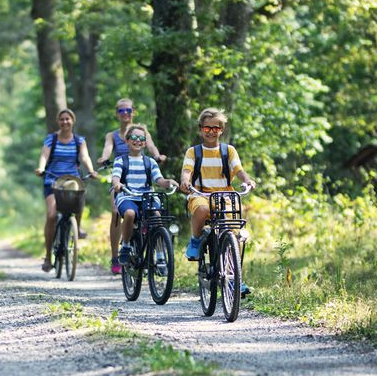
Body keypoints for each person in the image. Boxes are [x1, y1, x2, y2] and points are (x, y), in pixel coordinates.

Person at [177, 108, 257, 293]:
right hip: (201, 194)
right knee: (202, 210)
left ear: (221, 130)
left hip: (224, 196)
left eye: (216, 128)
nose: (211, 132)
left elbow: (238, 170)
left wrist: (247, 181)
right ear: (200, 130)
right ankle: (196, 240)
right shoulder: (193, 152)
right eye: (207, 129)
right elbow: (187, 171)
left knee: (233, 231)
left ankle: (234, 277)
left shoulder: (228, 151)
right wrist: (185, 181)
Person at [97, 98, 164, 275]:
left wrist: (157, 156)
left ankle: (151, 246)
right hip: (121, 184)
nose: (125, 113)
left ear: (133, 111)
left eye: (128, 110)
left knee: (153, 212)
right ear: (117, 113)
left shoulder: (142, 132)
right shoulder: (112, 135)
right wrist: (104, 158)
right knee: (115, 212)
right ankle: (115, 256)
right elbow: (107, 149)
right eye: (121, 111)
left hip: (141, 184)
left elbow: (151, 147)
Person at [36, 108, 99, 272]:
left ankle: (76, 228)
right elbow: (44, 155)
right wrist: (41, 168)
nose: (65, 122)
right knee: (51, 215)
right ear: (58, 122)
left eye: (68, 119)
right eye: (62, 119)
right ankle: (48, 256)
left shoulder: (79, 141)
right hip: (53, 180)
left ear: (73, 121)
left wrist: (91, 170)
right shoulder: (52, 139)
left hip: (72, 180)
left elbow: (84, 157)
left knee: (78, 197)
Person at [113, 124, 176, 265]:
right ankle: (126, 246)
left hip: (147, 197)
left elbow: (159, 180)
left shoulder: (150, 162)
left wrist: (168, 182)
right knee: (130, 214)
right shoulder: (121, 161)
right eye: (134, 137)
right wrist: (117, 184)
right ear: (127, 140)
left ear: (145, 142)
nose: (138, 140)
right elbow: (116, 177)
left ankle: (160, 254)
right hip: (127, 196)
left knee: (157, 218)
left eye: (142, 138)